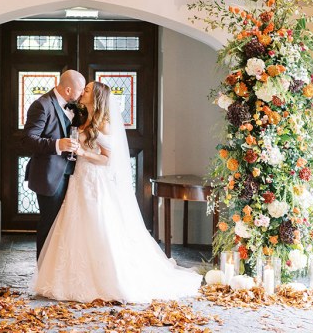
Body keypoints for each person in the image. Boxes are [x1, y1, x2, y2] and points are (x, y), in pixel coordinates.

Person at [34, 81, 203, 303]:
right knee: (76, 226)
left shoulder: (104, 124)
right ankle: (68, 278)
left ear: (96, 97)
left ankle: (104, 279)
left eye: (87, 90)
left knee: (97, 225)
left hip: (94, 180)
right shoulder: (85, 117)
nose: (83, 91)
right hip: (79, 180)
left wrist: (83, 154)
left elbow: (107, 159)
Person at [21, 70, 86, 260]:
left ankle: (59, 268)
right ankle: (43, 269)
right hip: (49, 176)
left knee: (66, 224)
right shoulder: (41, 105)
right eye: (80, 89)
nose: (82, 93)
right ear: (68, 89)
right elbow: (27, 140)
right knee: (50, 223)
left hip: (73, 174)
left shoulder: (74, 106)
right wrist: (58, 145)